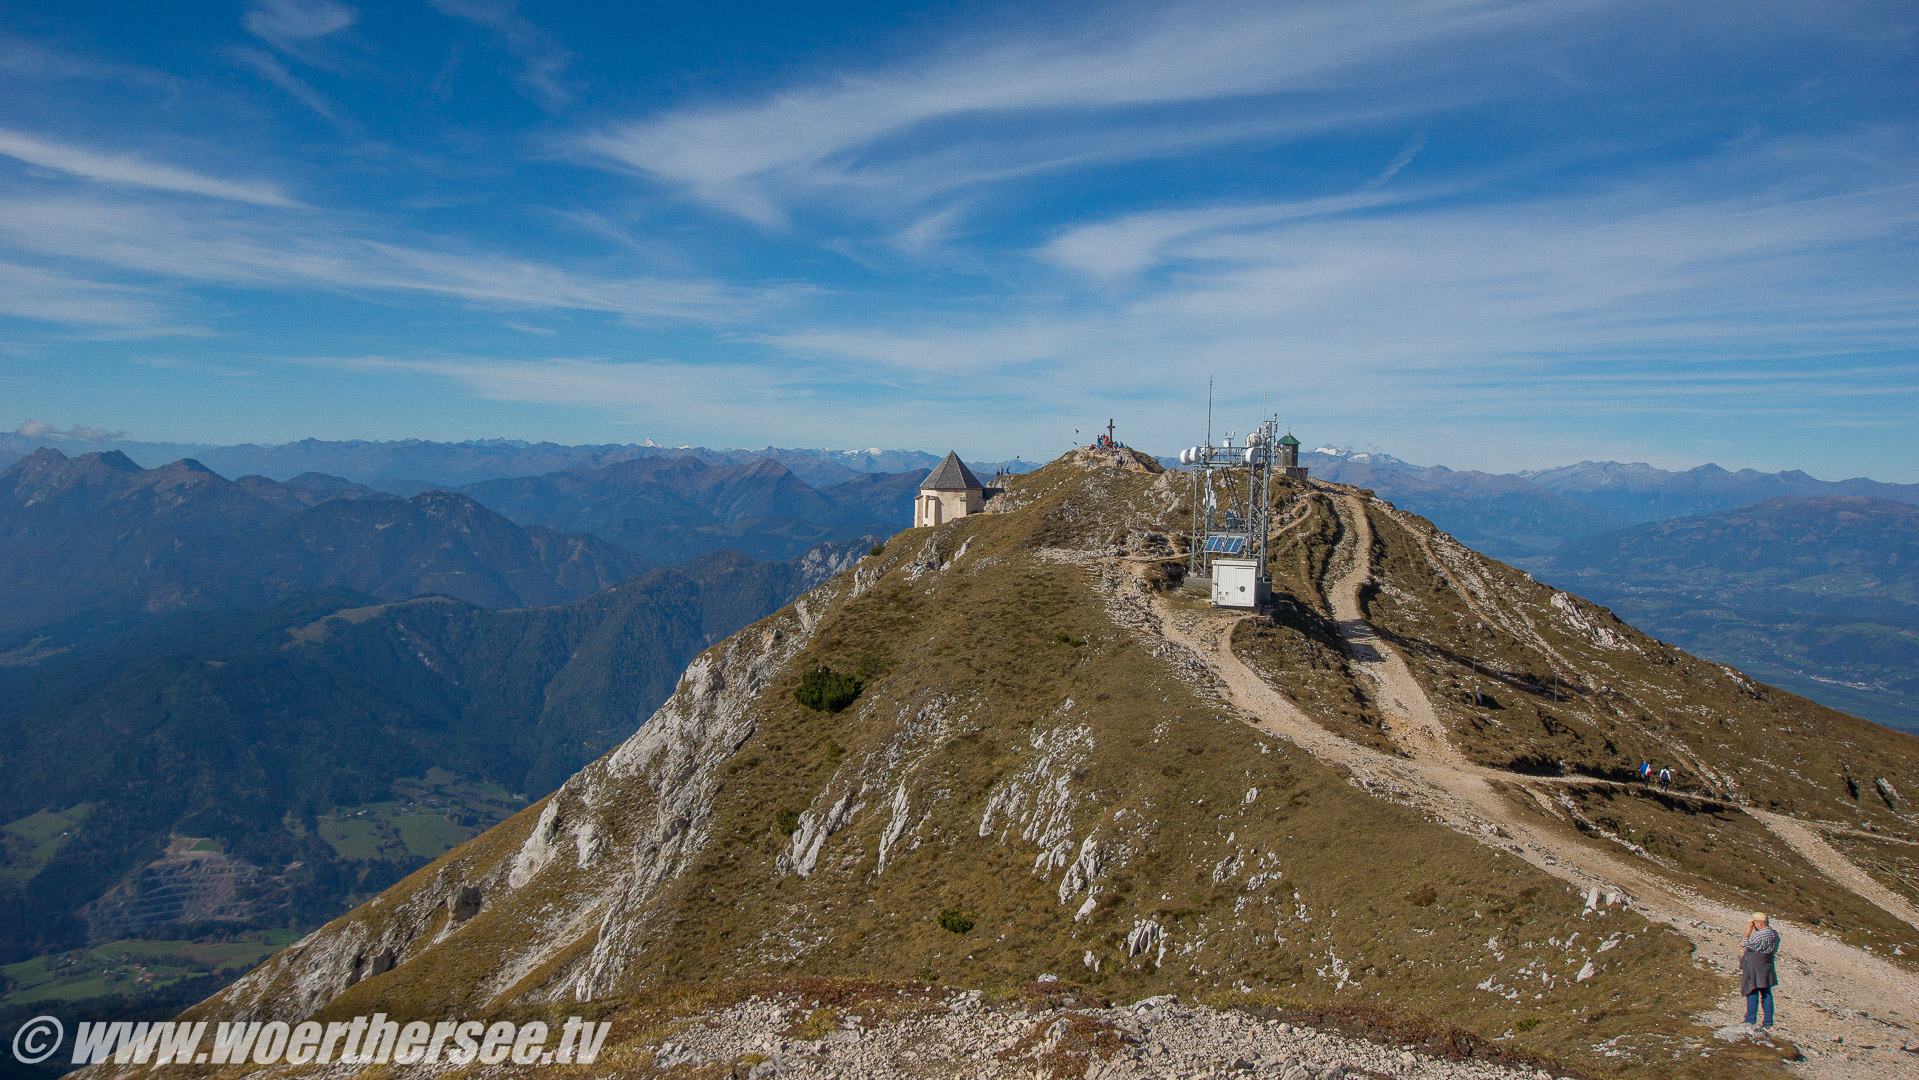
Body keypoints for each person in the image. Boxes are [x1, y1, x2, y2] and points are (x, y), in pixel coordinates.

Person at [1741, 912, 1780, 1027]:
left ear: (1759, 923)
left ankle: (1750, 1019)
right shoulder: (1774, 934)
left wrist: (1748, 930)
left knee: (1752, 991)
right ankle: (1768, 1021)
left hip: (1755, 966)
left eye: (1754, 923)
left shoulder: (1760, 935)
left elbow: (1744, 943)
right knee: (1766, 993)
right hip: (1767, 966)